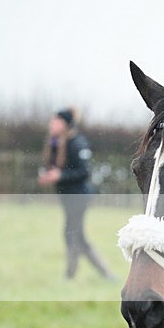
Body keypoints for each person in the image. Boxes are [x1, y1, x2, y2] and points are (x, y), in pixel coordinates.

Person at [38, 108, 114, 280]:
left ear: (65, 124)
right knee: (76, 235)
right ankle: (105, 274)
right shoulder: (55, 143)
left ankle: (71, 275)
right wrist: (49, 174)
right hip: (68, 196)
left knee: (73, 234)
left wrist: (61, 175)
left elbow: (84, 171)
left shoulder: (77, 143)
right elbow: (58, 167)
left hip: (79, 196)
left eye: (55, 121)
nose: (52, 124)